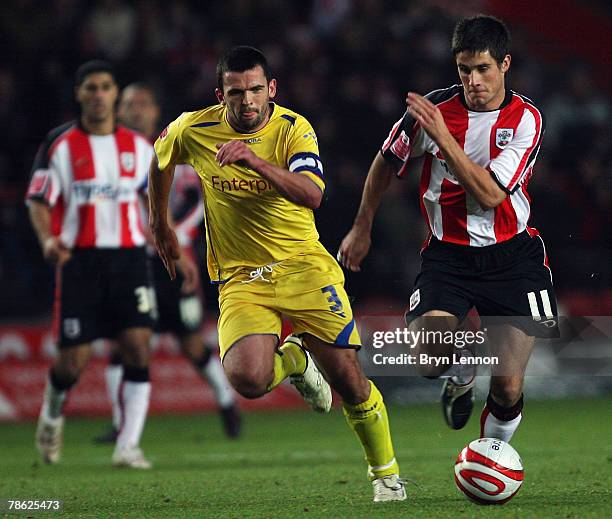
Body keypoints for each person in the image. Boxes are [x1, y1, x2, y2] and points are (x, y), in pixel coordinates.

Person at [148, 46, 406, 502]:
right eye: (235, 93)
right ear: (220, 94)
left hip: (304, 267)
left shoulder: (293, 129)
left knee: (348, 379)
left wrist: (256, 161)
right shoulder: (195, 127)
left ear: (271, 90)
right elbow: (160, 158)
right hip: (242, 277)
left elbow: (312, 195)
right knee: (247, 380)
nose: (246, 102)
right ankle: (295, 360)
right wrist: (160, 226)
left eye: (254, 90)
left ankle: (385, 476)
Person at [339, 15, 559, 444]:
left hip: (512, 257)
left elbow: (492, 195)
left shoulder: (527, 119)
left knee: (508, 387)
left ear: (505, 64)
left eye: (483, 69)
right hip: (448, 257)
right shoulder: (434, 111)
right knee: (428, 360)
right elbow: (386, 160)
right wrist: (362, 225)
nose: (473, 80)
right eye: (464, 69)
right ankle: (460, 368)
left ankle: (490, 455)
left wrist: (443, 139)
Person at [93, 83, 241, 444]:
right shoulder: (109, 154)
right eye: (129, 104)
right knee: (120, 343)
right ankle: (120, 423)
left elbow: (198, 199)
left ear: (156, 111)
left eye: (143, 103)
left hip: (171, 261)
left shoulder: (175, 147)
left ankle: (226, 402)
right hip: (127, 261)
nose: (135, 109)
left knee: (189, 341)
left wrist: (178, 237)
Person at [27, 61, 156, 468]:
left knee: (137, 347)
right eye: (91, 88)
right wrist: (48, 239)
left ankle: (128, 446)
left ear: (115, 94)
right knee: (72, 363)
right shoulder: (60, 145)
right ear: (79, 94)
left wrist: (171, 246)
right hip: (80, 261)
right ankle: (51, 412)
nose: (99, 95)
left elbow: (154, 202)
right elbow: (37, 199)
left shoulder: (140, 147)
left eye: (105, 87)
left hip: (130, 258)